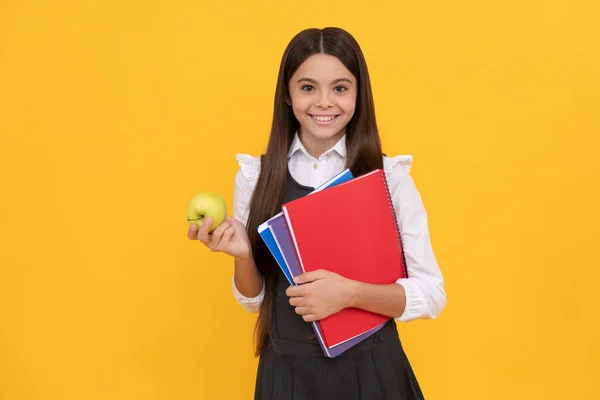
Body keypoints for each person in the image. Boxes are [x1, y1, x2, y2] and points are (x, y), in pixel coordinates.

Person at [187, 27, 447, 400]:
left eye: (340, 88)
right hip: (287, 374)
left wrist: (349, 293)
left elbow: (431, 293)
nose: (324, 102)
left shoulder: (390, 178)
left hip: (374, 375)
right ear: (288, 96)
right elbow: (255, 299)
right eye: (308, 87)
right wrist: (243, 255)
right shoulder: (255, 176)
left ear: (358, 95)